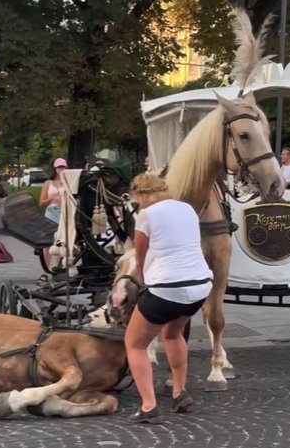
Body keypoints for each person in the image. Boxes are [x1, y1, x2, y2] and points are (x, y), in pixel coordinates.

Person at [112, 173, 212, 424]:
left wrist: (143, 282)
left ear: (140, 194)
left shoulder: (146, 215)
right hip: (199, 286)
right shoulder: (187, 209)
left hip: (167, 289)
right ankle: (179, 392)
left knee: (135, 344)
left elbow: (141, 255)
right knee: (172, 333)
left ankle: (149, 406)